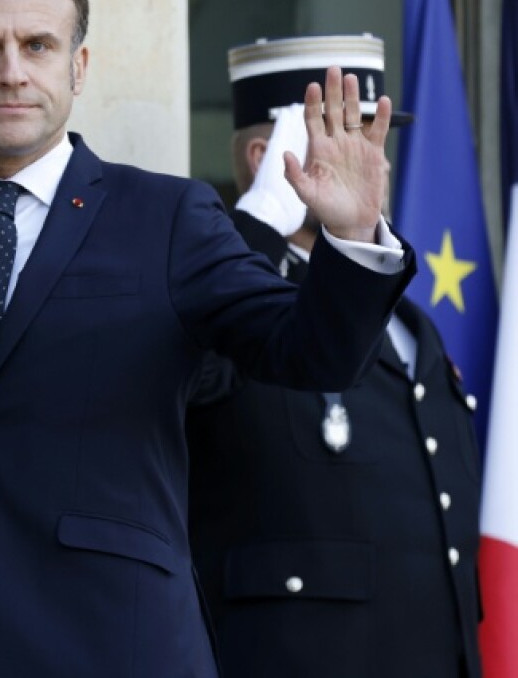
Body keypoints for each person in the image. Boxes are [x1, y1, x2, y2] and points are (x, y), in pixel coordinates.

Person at [0, 0, 415, 677]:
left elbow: (310, 354)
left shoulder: (167, 216)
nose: (13, 72)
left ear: (78, 65)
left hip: (118, 646)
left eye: (38, 45)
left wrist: (351, 237)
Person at [186, 34, 482, 677]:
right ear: (269, 157)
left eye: (373, 135)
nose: (371, 157)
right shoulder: (222, 303)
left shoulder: (405, 316)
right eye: (342, 133)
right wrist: (258, 218)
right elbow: (186, 374)